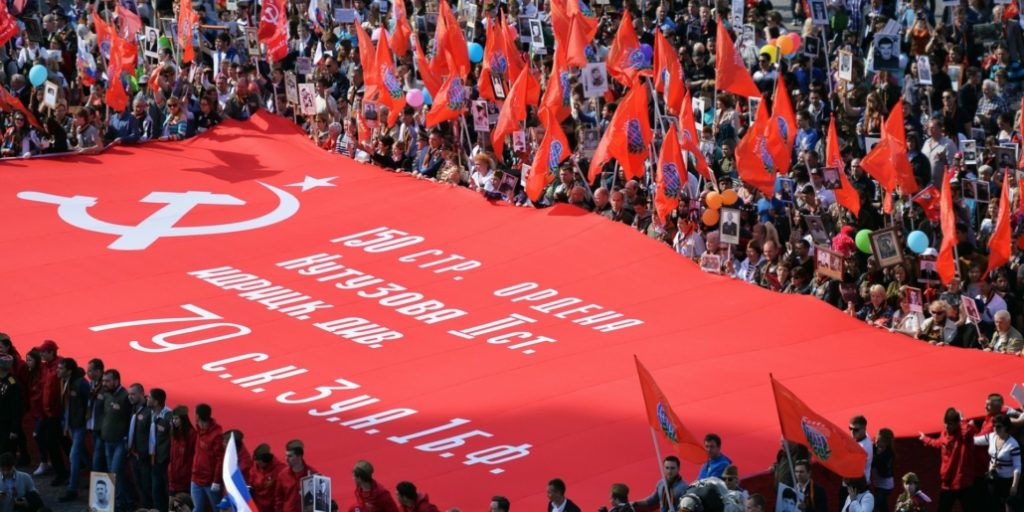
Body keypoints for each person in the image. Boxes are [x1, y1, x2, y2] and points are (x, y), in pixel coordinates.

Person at [919, 408, 976, 512]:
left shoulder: (964, 435)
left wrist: (962, 420)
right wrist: (925, 439)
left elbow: (970, 429)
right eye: (945, 423)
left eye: (950, 424)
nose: (947, 426)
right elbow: (938, 443)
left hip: (963, 482)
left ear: (957, 423)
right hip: (948, 483)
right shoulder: (944, 433)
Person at [57, 357, 89, 502]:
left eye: (61, 368)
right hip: (71, 424)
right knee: (82, 454)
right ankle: (98, 477)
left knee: (74, 455)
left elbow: (88, 403)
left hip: (79, 425)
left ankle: (72, 489)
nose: (58, 370)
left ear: (69, 371)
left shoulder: (80, 384)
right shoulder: (66, 381)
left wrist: (84, 421)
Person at [973, 414, 1021, 511]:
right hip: (992, 477)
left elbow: (1017, 466)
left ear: (1005, 427)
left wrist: (1014, 486)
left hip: (1007, 480)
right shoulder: (992, 437)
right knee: (993, 504)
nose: (995, 428)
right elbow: (974, 441)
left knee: (1008, 506)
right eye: (994, 425)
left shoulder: (1013, 444)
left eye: (998, 426)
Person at [99, 369, 131, 509]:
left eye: (107, 381)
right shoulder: (106, 394)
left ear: (116, 381)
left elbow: (131, 420)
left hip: (120, 442)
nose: (104, 383)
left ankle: (118, 504)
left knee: (114, 473)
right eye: (103, 380)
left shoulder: (125, 397)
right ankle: (128, 500)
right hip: (107, 440)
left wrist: (127, 441)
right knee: (118, 473)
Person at [275, 439, 318, 512]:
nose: (286, 459)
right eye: (286, 455)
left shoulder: (313, 474)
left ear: (299, 456)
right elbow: (279, 498)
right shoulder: (282, 475)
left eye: (290, 456)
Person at [149, 388, 173, 512]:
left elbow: (174, 441)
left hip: (164, 461)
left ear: (156, 402)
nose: (147, 398)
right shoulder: (151, 413)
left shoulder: (170, 417)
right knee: (156, 491)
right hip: (153, 459)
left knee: (166, 491)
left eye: (150, 397)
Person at [0, 357, 21, 460]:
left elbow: (16, 408)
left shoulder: (12, 383)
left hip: (6, 425)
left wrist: (14, 429)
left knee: (5, 453)